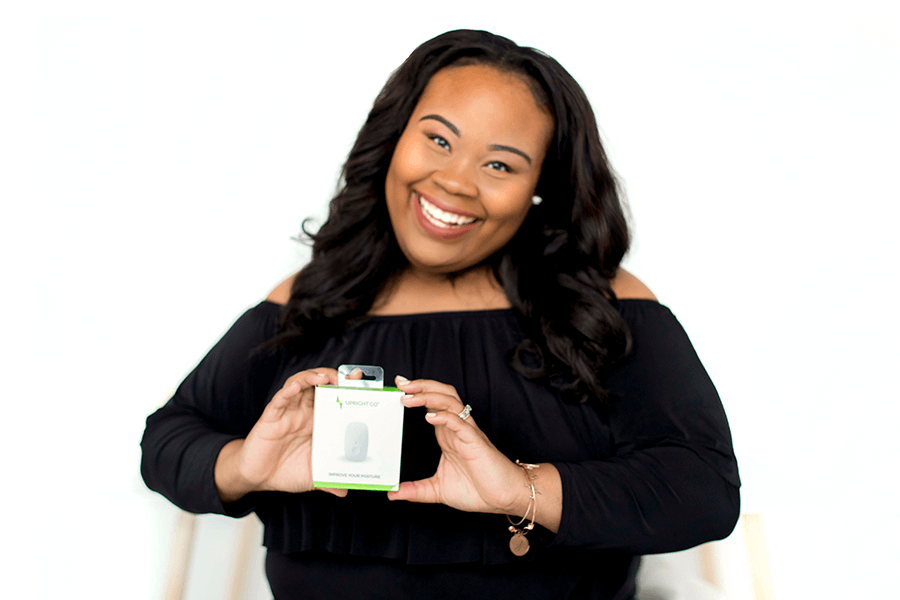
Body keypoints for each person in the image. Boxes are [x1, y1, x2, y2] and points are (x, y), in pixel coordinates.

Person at [141, 29, 740, 600]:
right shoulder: (310, 298)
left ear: (541, 185)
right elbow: (167, 440)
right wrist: (246, 465)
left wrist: (518, 487)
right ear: (394, 138)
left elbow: (703, 488)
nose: (453, 181)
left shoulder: (600, 301)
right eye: (438, 139)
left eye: (500, 164)